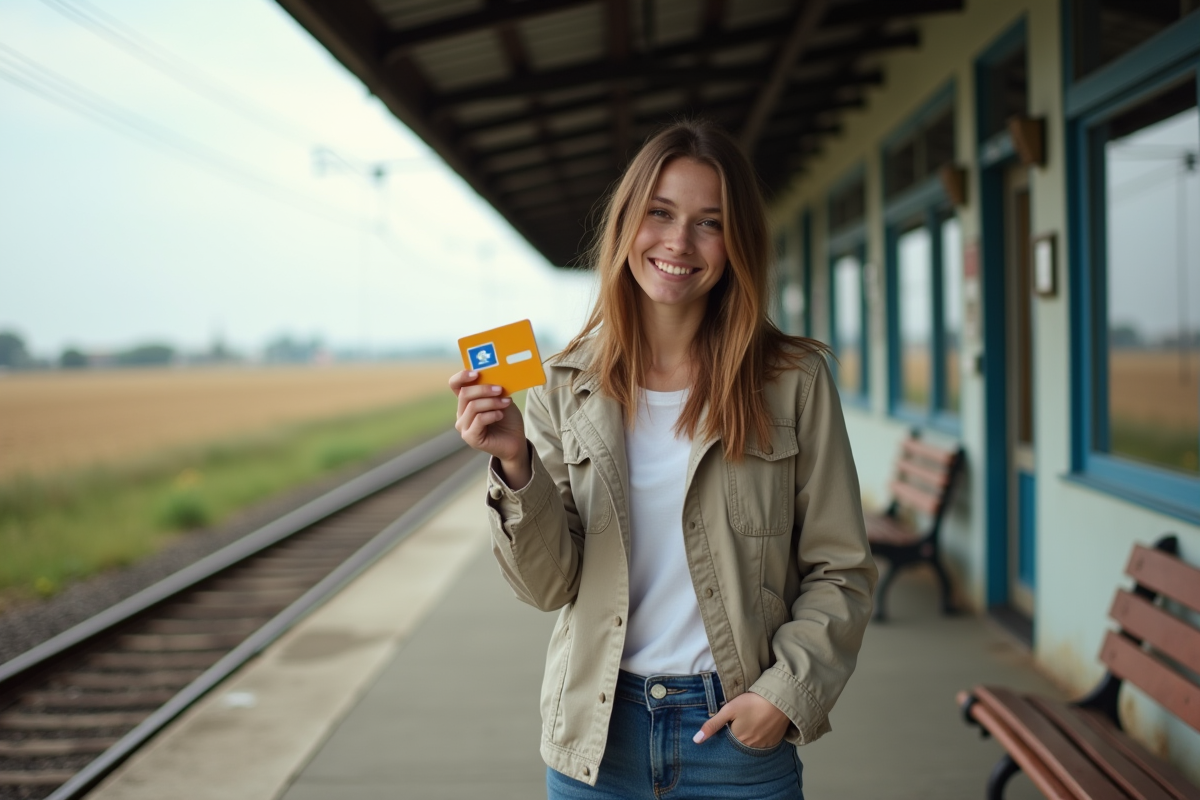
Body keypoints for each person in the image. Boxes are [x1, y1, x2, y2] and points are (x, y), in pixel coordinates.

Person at [450, 120, 877, 799]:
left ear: (736, 244)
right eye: (661, 213)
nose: (679, 242)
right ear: (627, 224)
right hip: (597, 742)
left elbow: (841, 568)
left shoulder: (793, 380)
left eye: (710, 222)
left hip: (736, 735)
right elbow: (546, 588)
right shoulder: (562, 386)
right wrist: (515, 468)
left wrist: (786, 693)